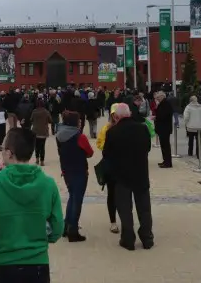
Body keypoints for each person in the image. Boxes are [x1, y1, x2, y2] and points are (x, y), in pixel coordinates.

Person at [0, 128, 63, 283]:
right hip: (38, 264)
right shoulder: (48, 184)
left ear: (9, 153)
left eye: (2, 149)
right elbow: (57, 229)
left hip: (3, 264)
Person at [103, 103, 153, 251]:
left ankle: (128, 239)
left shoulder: (112, 132)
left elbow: (107, 154)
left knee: (125, 209)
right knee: (144, 208)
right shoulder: (142, 129)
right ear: (130, 114)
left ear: (117, 116)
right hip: (141, 174)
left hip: (121, 176)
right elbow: (148, 148)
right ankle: (147, 238)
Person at [56, 111, 94, 242]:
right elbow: (90, 152)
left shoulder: (59, 135)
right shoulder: (80, 137)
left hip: (66, 170)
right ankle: (73, 230)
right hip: (79, 170)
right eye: (78, 120)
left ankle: (66, 226)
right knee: (77, 200)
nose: (80, 122)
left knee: (72, 197)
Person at [96, 103, 121, 234]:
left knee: (123, 194)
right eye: (114, 114)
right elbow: (99, 143)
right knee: (111, 194)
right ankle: (113, 221)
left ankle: (124, 218)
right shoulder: (106, 128)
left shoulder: (126, 127)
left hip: (123, 167)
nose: (116, 116)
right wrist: (108, 147)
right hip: (111, 165)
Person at [154, 91, 174, 169]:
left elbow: (163, 115)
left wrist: (156, 117)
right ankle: (165, 160)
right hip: (162, 128)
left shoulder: (166, 104)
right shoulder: (163, 104)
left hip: (164, 128)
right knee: (163, 145)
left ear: (162, 97)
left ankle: (168, 162)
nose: (157, 99)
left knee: (166, 145)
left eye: (158, 97)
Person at [31, 99, 52, 166]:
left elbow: (31, 119)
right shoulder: (46, 112)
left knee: (36, 146)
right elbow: (50, 120)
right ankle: (42, 161)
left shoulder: (34, 111)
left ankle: (37, 159)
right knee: (42, 147)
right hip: (43, 131)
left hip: (35, 131)